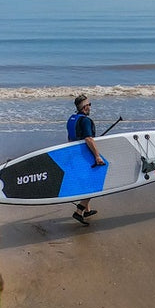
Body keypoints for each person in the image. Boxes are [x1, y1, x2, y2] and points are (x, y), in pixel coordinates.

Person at [67, 94, 105, 225]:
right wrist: (97, 156)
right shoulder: (85, 120)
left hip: (74, 156)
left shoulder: (72, 119)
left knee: (84, 184)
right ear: (84, 107)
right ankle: (79, 211)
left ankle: (87, 211)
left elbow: (70, 139)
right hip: (84, 157)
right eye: (89, 105)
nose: (90, 107)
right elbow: (88, 139)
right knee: (92, 185)